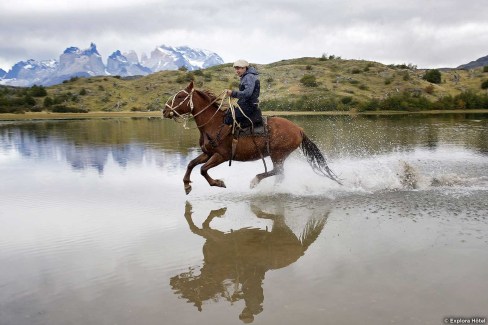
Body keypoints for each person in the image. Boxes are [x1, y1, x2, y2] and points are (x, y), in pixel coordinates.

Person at [224, 60, 263, 129]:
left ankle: (232, 139)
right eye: (236, 69)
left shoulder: (249, 76)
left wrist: (232, 93)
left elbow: (247, 93)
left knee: (229, 118)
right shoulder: (246, 76)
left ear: (244, 68)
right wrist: (233, 95)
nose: (236, 71)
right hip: (246, 105)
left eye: (238, 68)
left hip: (248, 106)